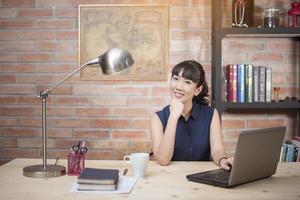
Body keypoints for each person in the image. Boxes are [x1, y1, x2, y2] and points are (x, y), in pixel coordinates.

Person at [150, 60, 233, 170]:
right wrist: (173, 117)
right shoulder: (158, 118)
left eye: (187, 82)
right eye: (176, 79)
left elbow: (217, 149)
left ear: (197, 90)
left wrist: (222, 160)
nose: (179, 87)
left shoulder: (211, 114)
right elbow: (163, 160)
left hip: (201, 177)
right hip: (169, 178)